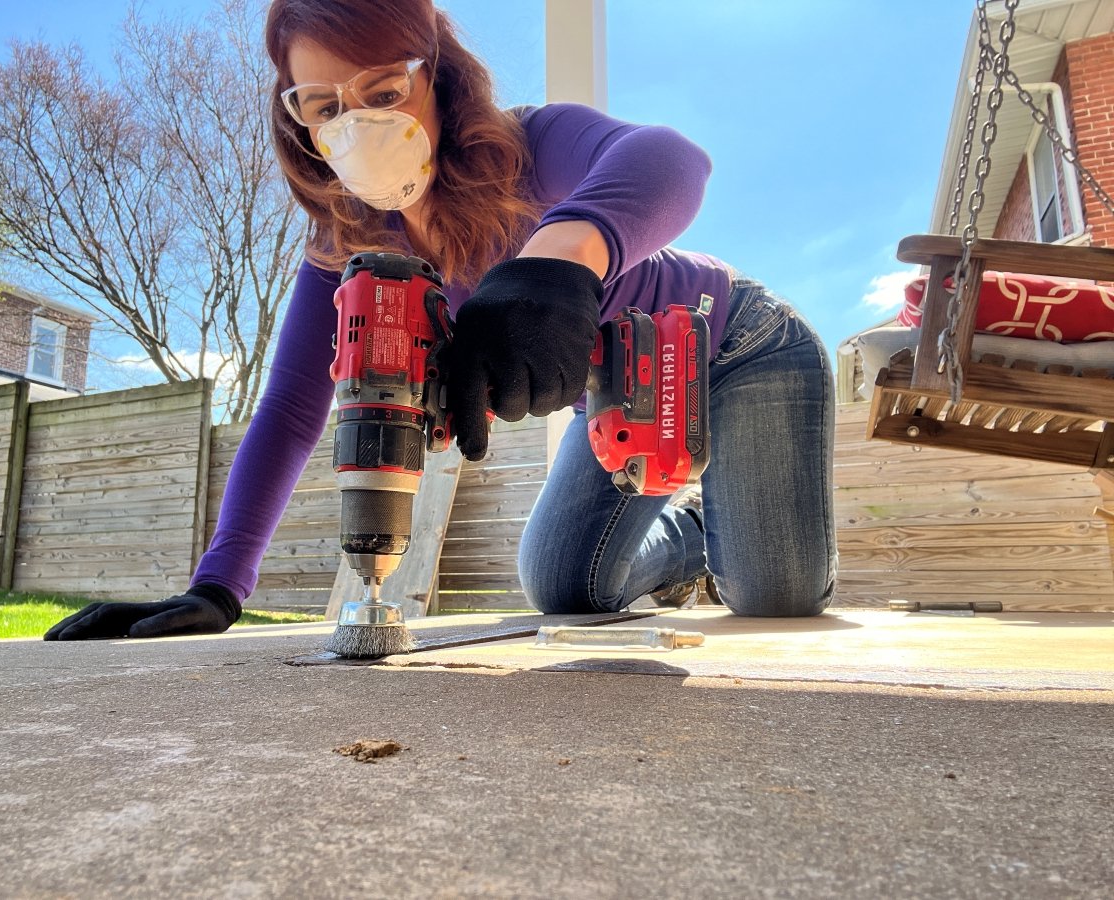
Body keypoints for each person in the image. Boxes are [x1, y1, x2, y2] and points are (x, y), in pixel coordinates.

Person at [45, 0, 837, 641]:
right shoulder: (347, 246)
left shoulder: (531, 145)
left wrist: (556, 262)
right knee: (566, 588)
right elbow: (290, 408)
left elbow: (674, 160)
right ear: (299, 123)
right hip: (615, 401)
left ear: (439, 81)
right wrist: (218, 588)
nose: (357, 125)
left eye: (384, 92)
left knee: (774, 596)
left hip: (733, 345)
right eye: (324, 106)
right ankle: (695, 531)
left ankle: (738, 532)